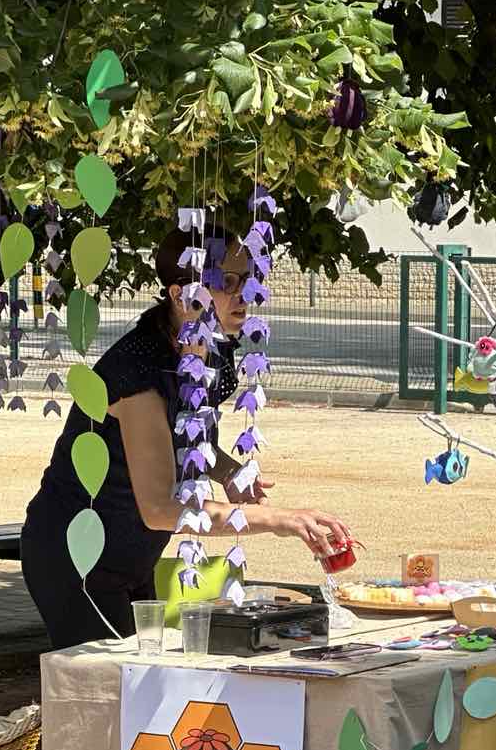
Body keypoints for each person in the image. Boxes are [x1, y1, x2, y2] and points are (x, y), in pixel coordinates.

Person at [21, 228, 353, 650]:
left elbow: (185, 438)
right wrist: (278, 520)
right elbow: (160, 510)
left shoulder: (207, 350)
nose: (243, 294)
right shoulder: (138, 375)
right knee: (115, 680)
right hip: (77, 556)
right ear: (181, 296)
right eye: (226, 282)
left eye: (249, 278)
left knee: (144, 674)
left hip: (130, 553)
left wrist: (228, 471)